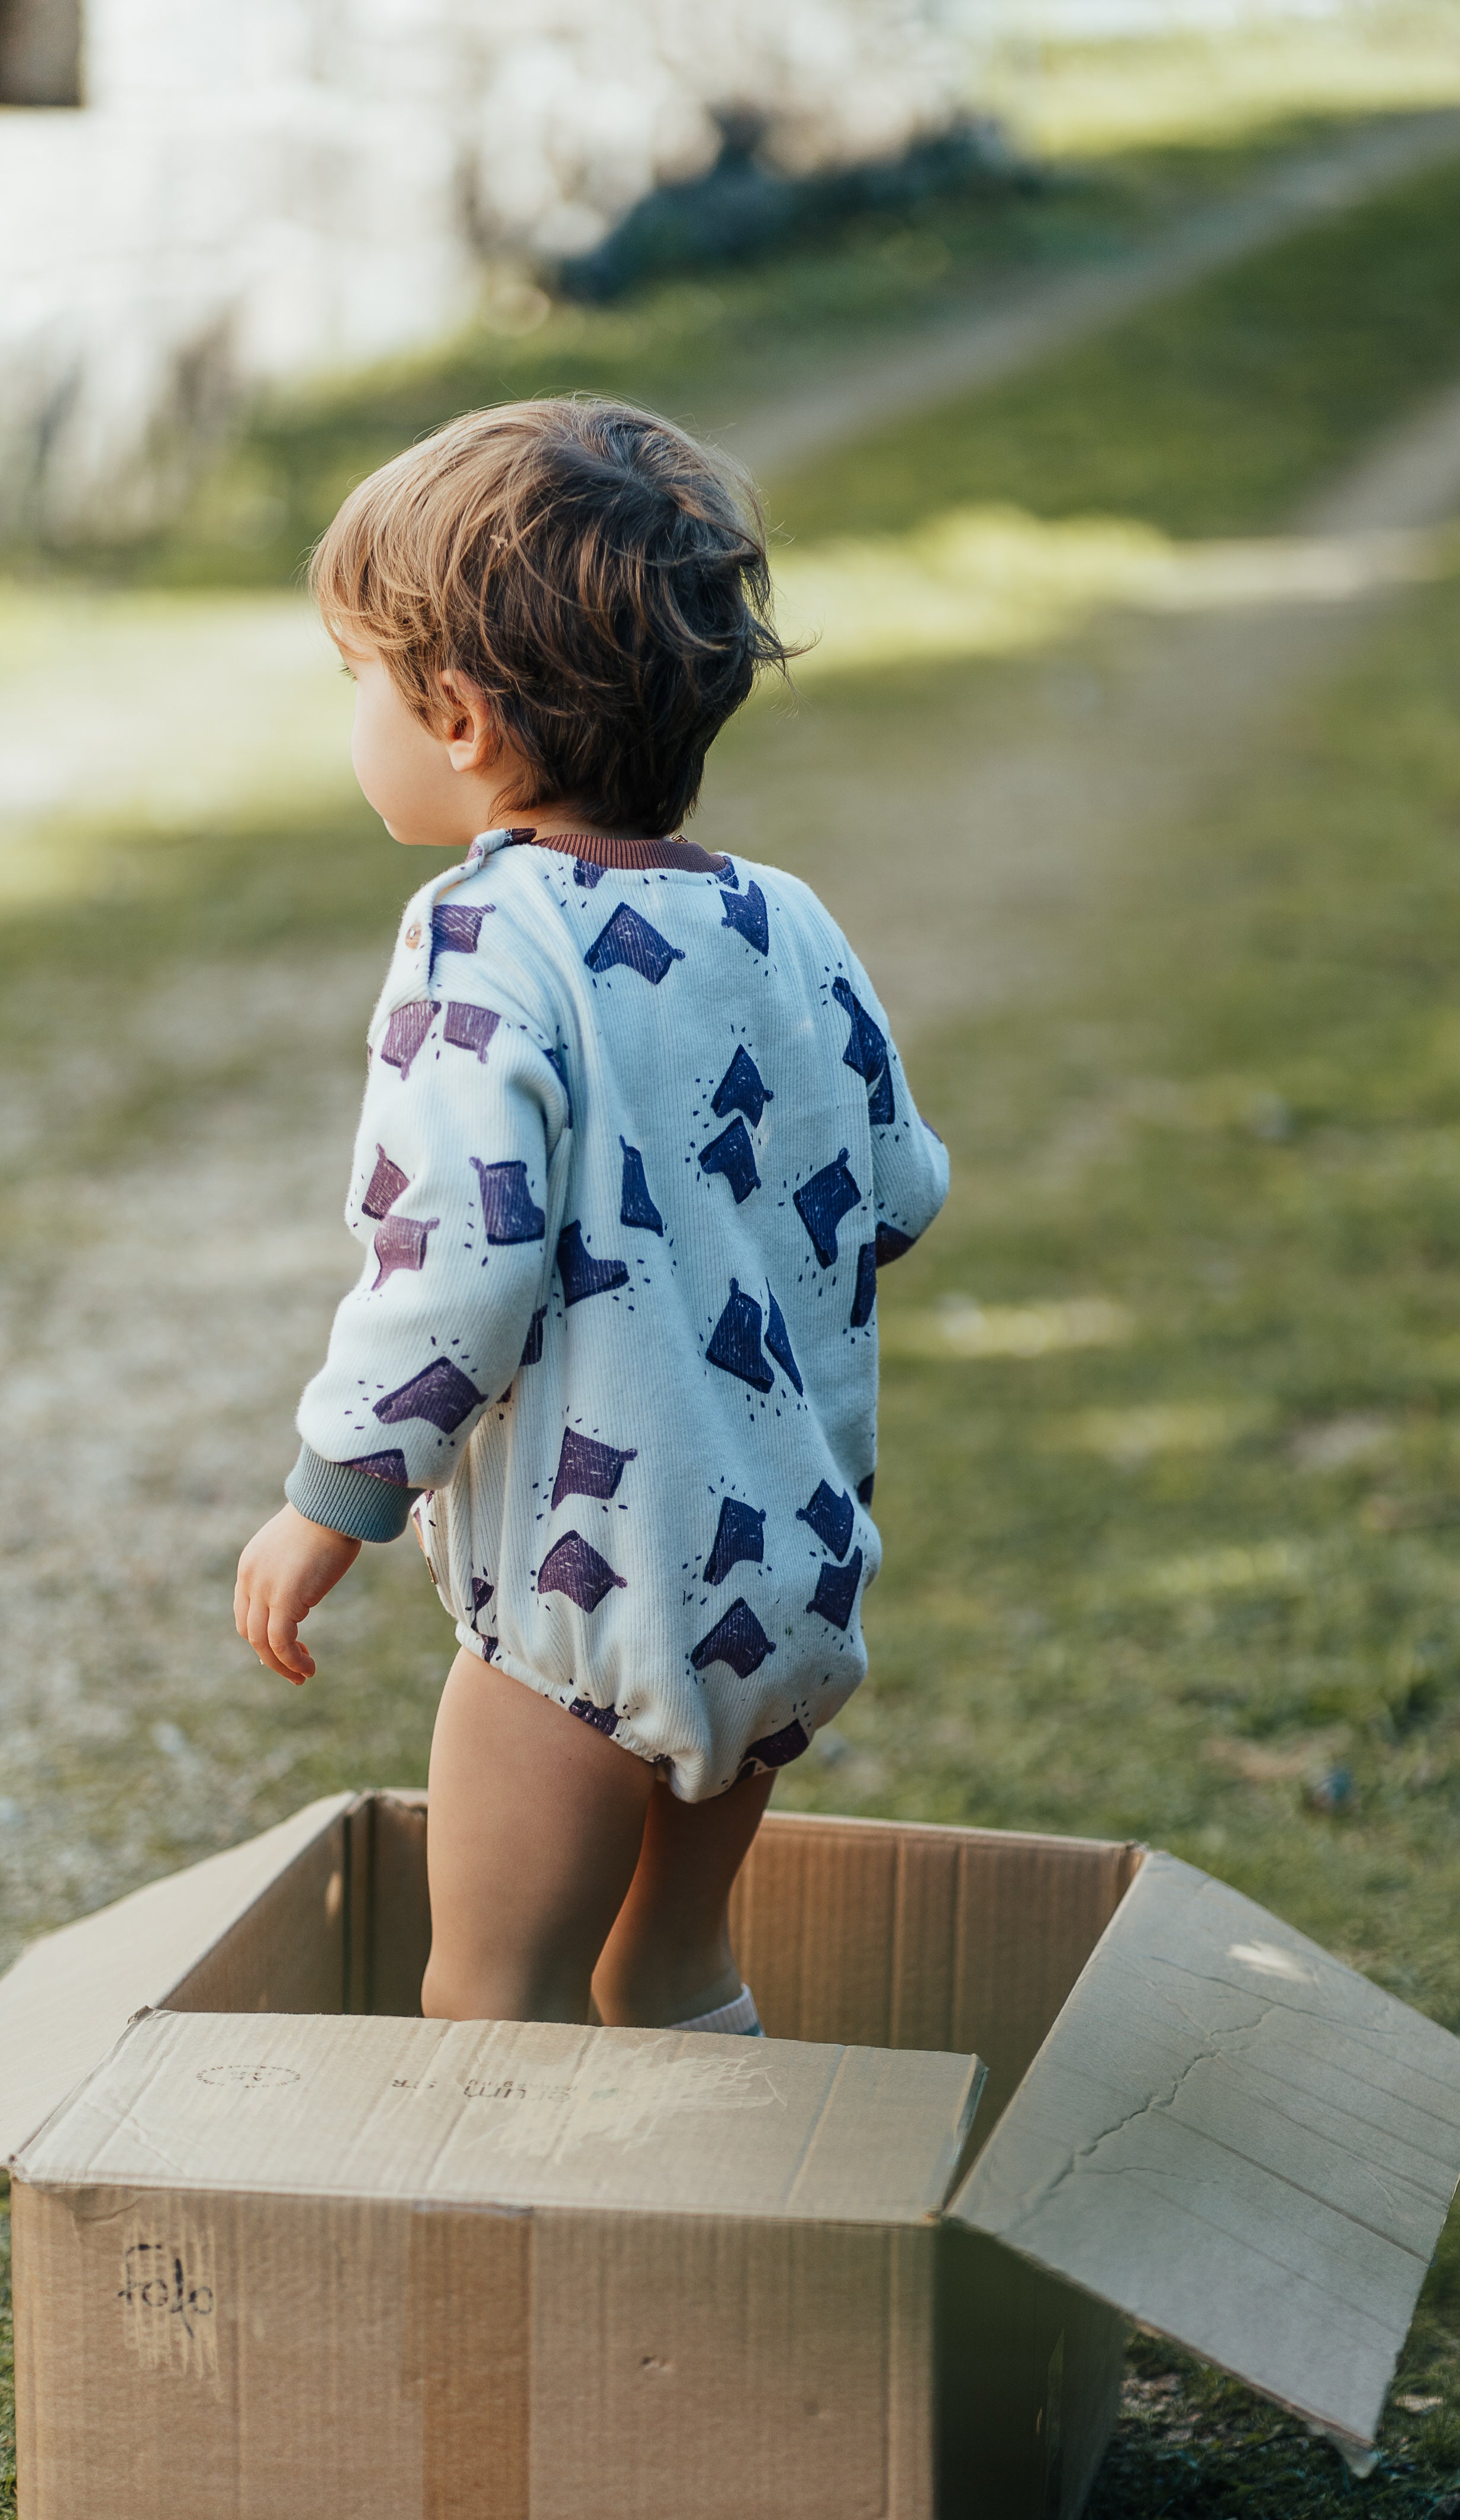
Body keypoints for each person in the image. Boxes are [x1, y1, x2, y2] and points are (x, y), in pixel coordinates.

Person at [232, 399, 947, 2036]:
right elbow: (899, 1186)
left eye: (357, 675)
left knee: (493, 2001)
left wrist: (331, 1499)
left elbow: (453, 1272)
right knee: (671, 1975)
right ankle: (713, 2260)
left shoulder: (483, 939)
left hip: (587, 1605)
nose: (352, 711)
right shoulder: (787, 916)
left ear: (464, 719)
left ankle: (517, 2286)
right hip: (781, 1579)